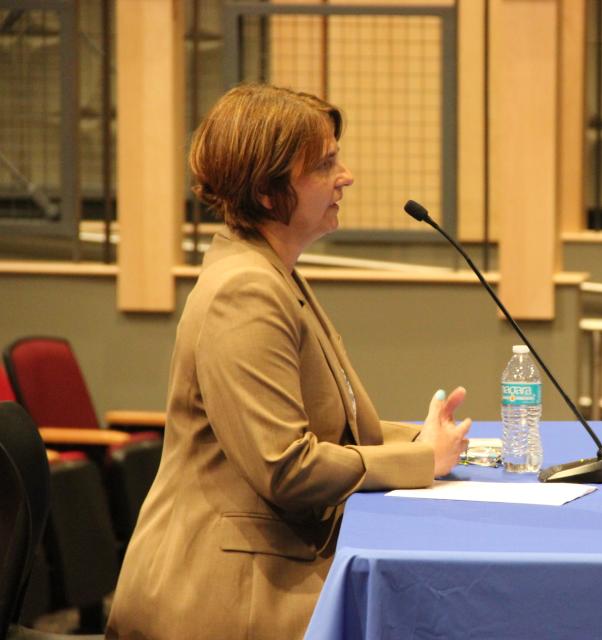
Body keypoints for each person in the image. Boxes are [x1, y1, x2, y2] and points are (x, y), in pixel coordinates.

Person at [106, 84, 472, 639]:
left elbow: (339, 427)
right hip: (226, 595)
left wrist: (424, 438)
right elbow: (286, 468)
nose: (345, 176)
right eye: (325, 164)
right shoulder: (245, 291)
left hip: (266, 567)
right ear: (271, 189)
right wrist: (423, 461)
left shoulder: (272, 272)